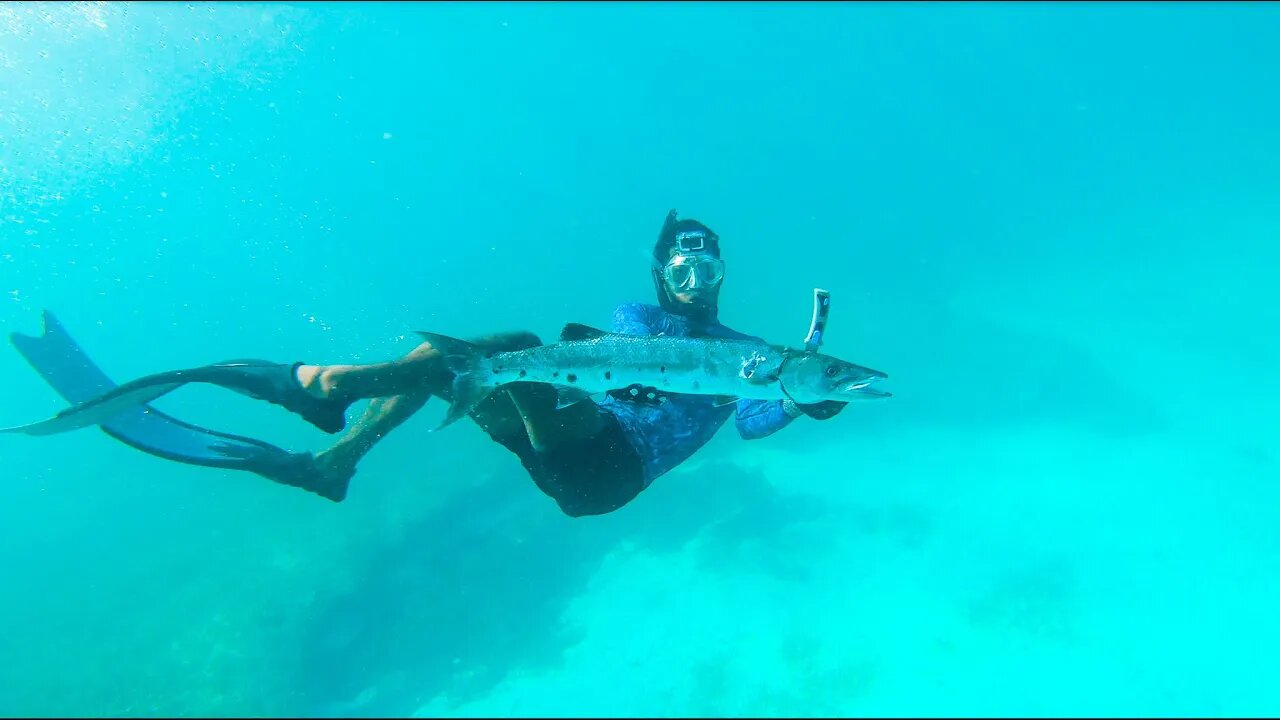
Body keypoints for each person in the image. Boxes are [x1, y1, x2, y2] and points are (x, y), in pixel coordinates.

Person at [7, 210, 847, 515]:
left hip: (607, 474)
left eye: (709, 262)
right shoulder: (635, 319)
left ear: (725, 272)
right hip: (564, 430)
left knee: (509, 348)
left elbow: (756, 420)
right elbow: (616, 354)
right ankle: (336, 458)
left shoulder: (748, 358)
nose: (696, 274)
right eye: (682, 263)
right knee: (464, 359)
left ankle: (328, 390)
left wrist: (803, 395)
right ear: (660, 273)